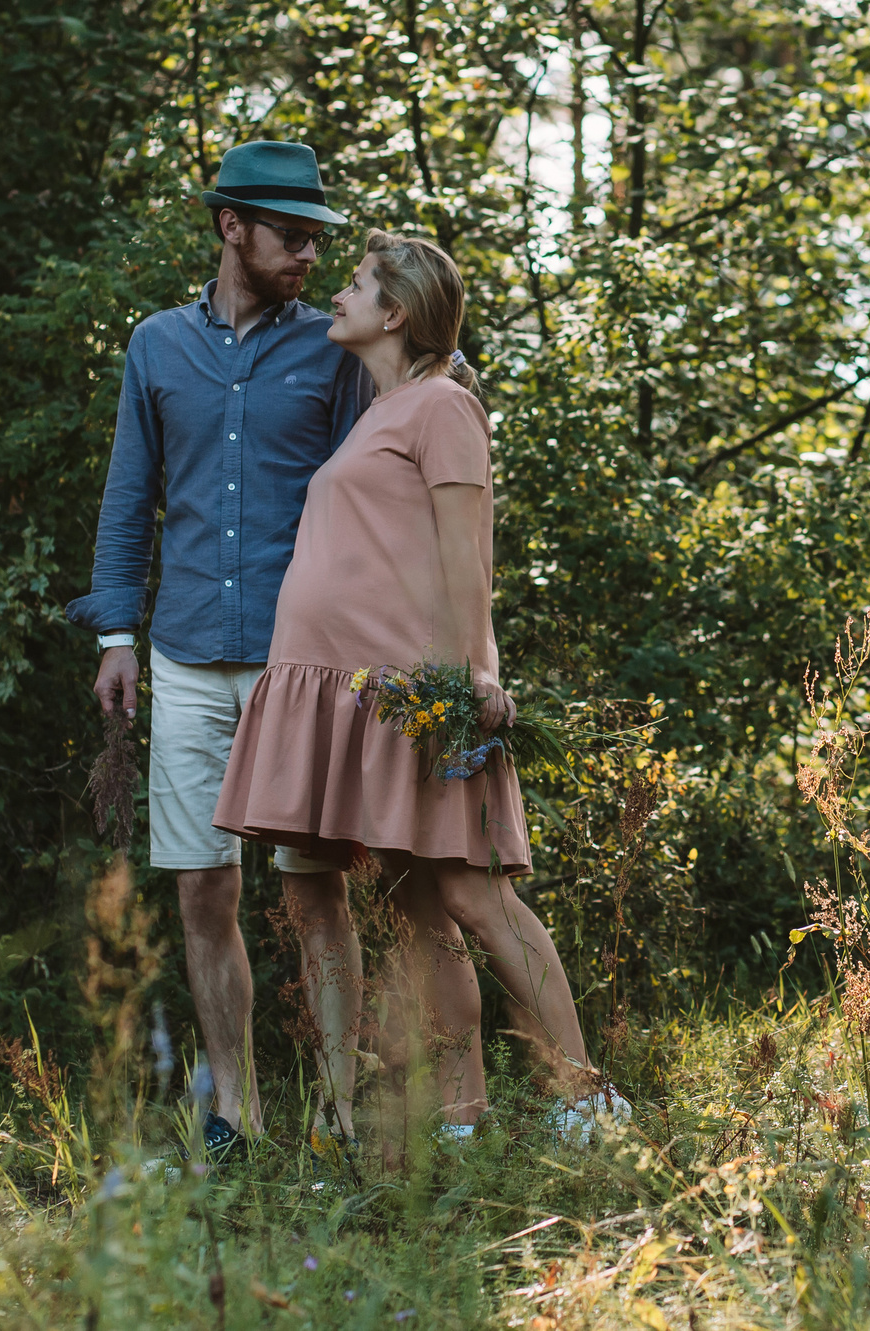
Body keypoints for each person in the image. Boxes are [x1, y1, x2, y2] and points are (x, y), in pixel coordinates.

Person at [212, 231, 628, 1146]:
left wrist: (474, 671)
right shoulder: (377, 409)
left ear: (395, 312)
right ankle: (460, 1116)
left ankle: (586, 1097)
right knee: (412, 905)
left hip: (418, 696)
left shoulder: (442, 406)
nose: (339, 295)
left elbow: (465, 550)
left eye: (357, 284)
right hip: (360, 701)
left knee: (477, 895)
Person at [65, 139, 372, 1162]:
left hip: (300, 662)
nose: (309, 254)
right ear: (230, 227)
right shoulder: (155, 346)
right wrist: (117, 632)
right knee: (204, 884)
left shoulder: (336, 351)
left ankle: (339, 1111)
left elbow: (374, 492)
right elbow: (128, 498)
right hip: (188, 649)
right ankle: (232, 1110)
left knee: (314, 886)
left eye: (317, 236)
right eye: (291, 234)